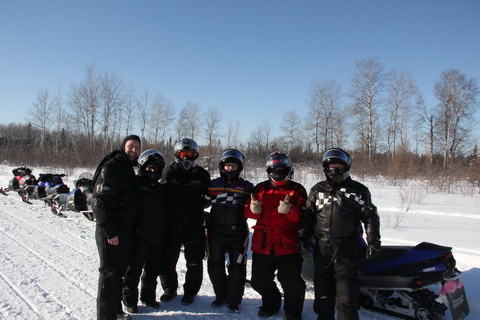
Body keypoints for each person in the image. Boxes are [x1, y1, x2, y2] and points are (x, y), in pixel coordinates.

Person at [298, 148, 381, 320]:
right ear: (325, 168)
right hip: (322, 247)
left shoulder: (358, 190)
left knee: (347, 293)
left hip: (346, 247)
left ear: (346, 167)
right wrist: (302, 235)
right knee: (322, 290)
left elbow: (370, 216)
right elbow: (307, 215)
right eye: (331, 167)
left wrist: (373, 240)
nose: (334, 170)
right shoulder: (317, 190)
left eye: (338, 167)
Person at [245, 152, 307, 320]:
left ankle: (292, 312)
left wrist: (290, 211)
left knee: (291, 282)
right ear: (269, 170)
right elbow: (249, 210)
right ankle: (271, 303)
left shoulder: (297, 190)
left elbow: (304, 217)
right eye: (275, 169)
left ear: (288, 169)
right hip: (263, 243)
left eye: (282, 169)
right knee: (258, 280)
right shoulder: (260, 188)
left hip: (288, 243)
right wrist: (253, 208)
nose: (278, 172)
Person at [92, 135, 142, 320]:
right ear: (123, 147)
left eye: (137, 147)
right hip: (111, 231)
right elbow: (100, 202)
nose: (134, 150)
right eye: (131, 146)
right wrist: (110, 231)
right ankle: (106, 316)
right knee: (109, 274)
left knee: (118, 273)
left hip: (124, 230)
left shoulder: (128, 168)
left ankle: (116, 311)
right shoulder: (112, 166)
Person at [159, 138, 211, 305]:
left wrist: (201, 206)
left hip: (193, 224)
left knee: (194, 261)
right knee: (168, 259)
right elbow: (160, 195)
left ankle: (190, 291)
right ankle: (169, 288)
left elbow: (208, 198)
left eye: (190, 154)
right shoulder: (168, 172)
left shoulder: (202, 175)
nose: (187, 158)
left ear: (196, 155)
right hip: (171, 224)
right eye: (183, 154)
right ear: (177, 155)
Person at [206, 149, 254, 313]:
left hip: (238, 233)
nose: (230, 169)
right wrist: (201, 214)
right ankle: (220, 296)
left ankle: (234, 300)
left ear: (239, 168)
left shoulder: (247, 187)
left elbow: (254, 209)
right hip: (215, 232)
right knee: (215, 266)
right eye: (228, 166)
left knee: (237, 268)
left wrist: (255, 207)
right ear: (222, 167)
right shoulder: (213, 185)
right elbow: (200, 202)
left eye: (233, 166)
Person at [122, 149, 168, 313]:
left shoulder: (160, 189)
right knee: (133, 270)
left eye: (155, 168)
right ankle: (129, 300)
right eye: (149, 167)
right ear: (142, 167)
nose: (152, 170)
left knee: (152, 270)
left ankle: (148, 297)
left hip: (156, 235)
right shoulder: (134, 186)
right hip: (137, 235)